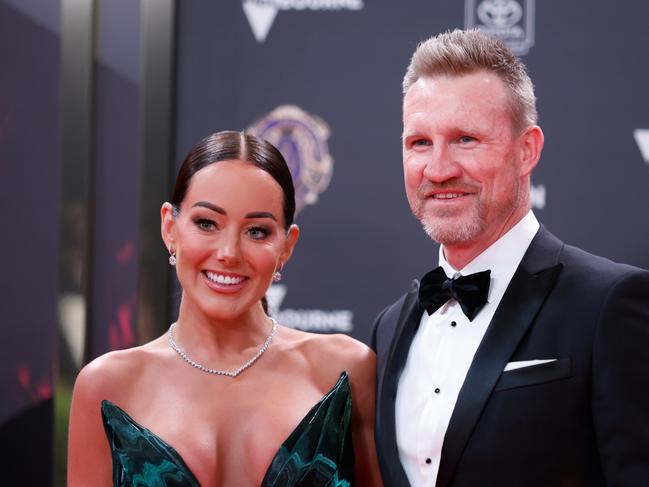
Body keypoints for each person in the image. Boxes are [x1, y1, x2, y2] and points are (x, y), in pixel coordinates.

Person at [372, 29, 649, 487]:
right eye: (419, 142)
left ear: (527, 150)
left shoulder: (609, 305)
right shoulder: (388, 328)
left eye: (465, 139)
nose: (439, 169)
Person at [68, 131, 383, 486]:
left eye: (257, 231)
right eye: (206, 224)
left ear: (287, 245)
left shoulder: (345, 369)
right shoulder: (107, 385)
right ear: (170, 227)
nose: (229, 252)